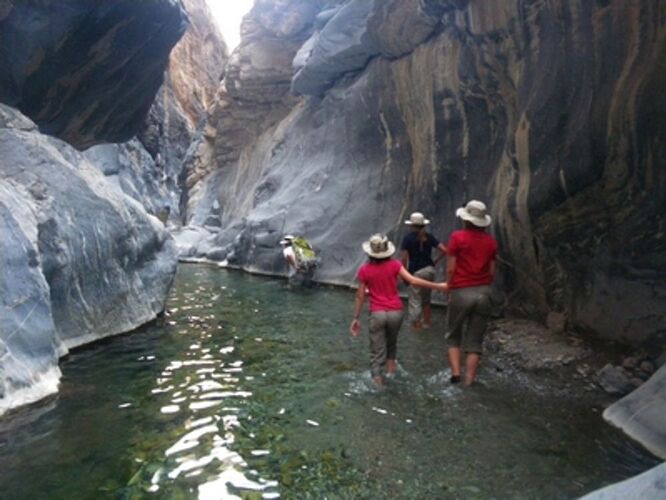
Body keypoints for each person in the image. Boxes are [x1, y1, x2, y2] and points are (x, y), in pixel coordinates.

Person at [350, 234, 448, 386]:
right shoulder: (395, 265)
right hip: (396, 312)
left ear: (370, 253)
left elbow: (360, 296)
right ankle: (391, 373)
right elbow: (413, 280)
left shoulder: (364, 270)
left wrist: (355, 318)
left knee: (376, 353)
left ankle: (378, 386)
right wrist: (439, 286)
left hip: (377, 313)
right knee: (392, 346)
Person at [445, 200, 498, 386]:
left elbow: (451, 268)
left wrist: (449, 286)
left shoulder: (457, 237)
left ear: (466, 220)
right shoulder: (491, 243)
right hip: (484, 292)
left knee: (453, 335)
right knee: (475, 341)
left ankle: (456, 373)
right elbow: (492, 272)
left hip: (461, 290)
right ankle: (469, 381)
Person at [400, 212, 447, 329]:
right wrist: (434, 262)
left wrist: (404, 274)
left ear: (411, 225)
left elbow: (404, 258)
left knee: (415, 299)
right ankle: (427, 323)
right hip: (429, 271)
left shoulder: (407, 239)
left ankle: (416, 327)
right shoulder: (429, 236)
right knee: (426, 299)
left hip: (416, 273)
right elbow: (445, 250)